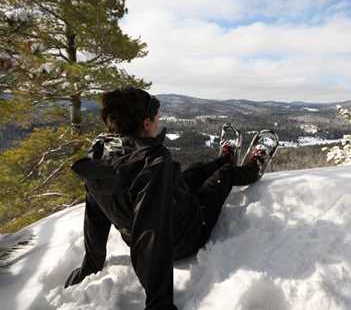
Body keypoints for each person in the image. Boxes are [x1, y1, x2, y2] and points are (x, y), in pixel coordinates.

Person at [64, 86, 266, 310]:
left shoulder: (99, 154)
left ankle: (223, 159)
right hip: (184, 235)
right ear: (146, 123)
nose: (159, 122)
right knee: (224, 176)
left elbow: (95, 211)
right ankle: (251, 168)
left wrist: (91, 264)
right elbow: (151, 231)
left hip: (166, 211)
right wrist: (159, 303)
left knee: (194, 171)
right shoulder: (154, 162)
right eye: (157, 118)